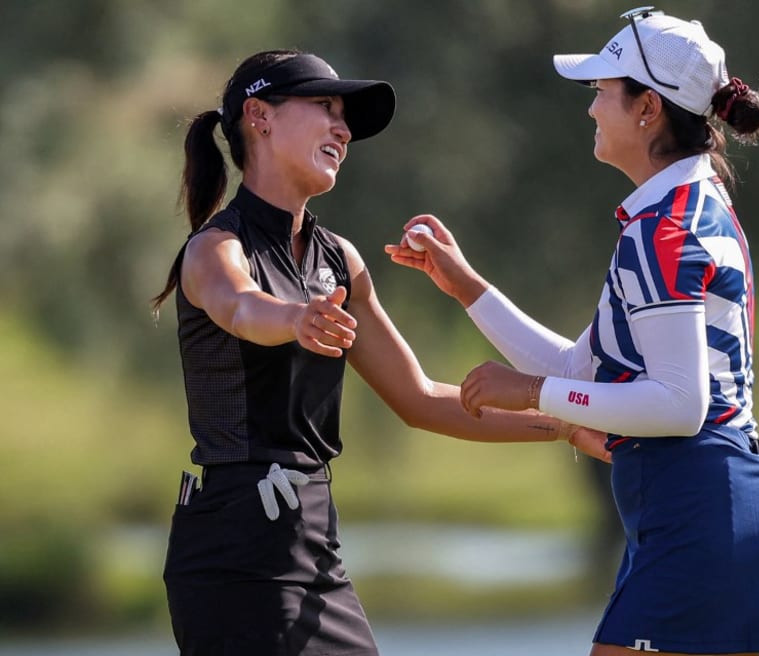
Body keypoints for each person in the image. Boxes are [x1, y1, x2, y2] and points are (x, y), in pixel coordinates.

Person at [386, 8, 759, 656]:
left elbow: (678, 406)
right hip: (719, 512)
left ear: (647, 109)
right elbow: (583, 367)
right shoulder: (688, 207)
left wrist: (533, 393)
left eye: (602, 92)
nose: (591, 109)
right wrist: (466, 288)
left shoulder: (662, 231)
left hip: (698, 516)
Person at [152, 49, 608, 656]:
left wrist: (566, 427)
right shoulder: (214, 249)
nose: (342, 128)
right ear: (258, 116)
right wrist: (296, 319)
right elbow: (241, 309)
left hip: (312, 538)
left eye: (345, 115)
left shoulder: (340, 260)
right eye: (324, 107)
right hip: (234, 549)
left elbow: (421, 399)